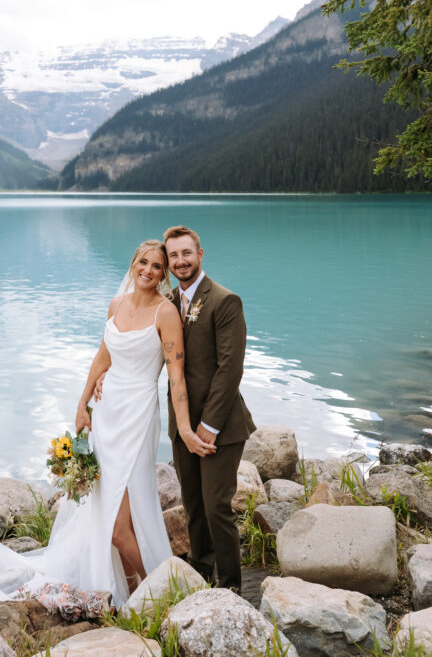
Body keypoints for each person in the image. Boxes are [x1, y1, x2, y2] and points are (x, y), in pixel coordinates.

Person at [0, 239, 209, 613]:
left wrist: (183, 428)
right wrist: (82, 404)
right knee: (103, 506)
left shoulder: (165, 313)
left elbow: (176, 377)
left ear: (164, 274)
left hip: (137, 417)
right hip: (107, 413)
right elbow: (103, 356)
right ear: (133, 264)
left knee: (120, 523)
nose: (149, 271)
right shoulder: (116, 305)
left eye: (157, 267)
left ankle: (156, 596)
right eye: (143, 263)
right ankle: (132, 587)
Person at [163, 224, 255, 593]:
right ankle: (201, 575)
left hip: (222, 426)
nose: (180, 261)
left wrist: (209, 426)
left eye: (187, 253)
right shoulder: (167, 302)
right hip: (181, 424)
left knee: (217, 506)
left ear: (200, 255)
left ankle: (232, 585)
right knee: (193, 505)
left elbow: (230, 368)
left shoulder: (223, 300)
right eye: (174, 256)